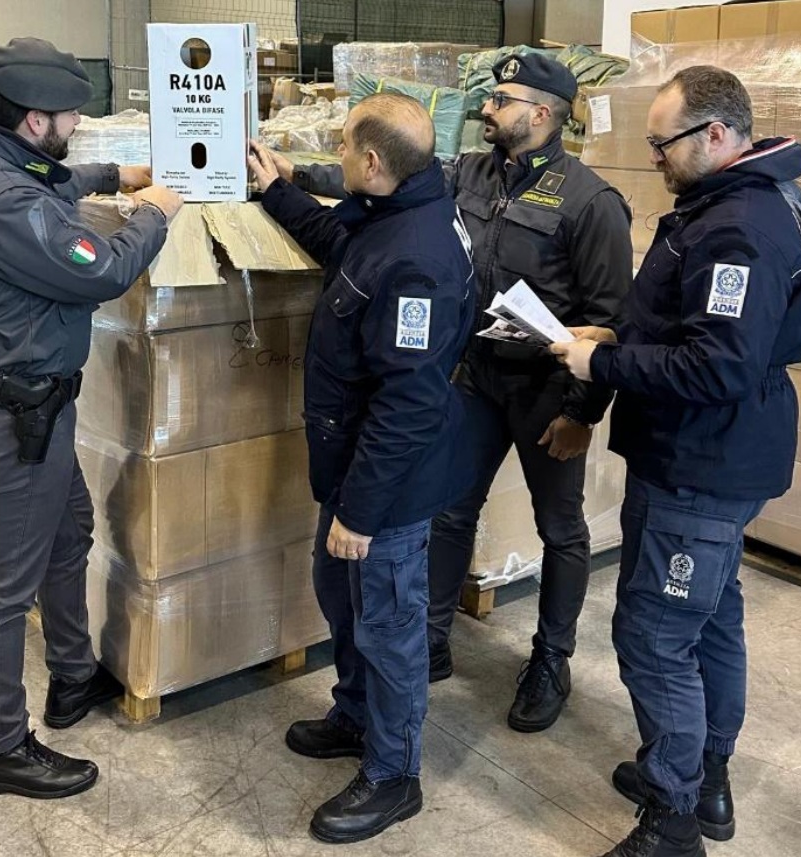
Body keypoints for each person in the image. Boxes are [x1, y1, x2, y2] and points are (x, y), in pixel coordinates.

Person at [269, 52, 633, 733]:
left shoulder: (591, 202)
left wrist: (582, 412)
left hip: (544, 388)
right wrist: (294, 176)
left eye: (501, 99)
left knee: (560, 527)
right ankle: (430, 636)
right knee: (450, 512)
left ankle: (550, 658)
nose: (486, 107)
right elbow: (387, 168)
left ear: (542, 113)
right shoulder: (467, 172)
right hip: (473, 376)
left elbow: (613, 317)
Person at [551, 66, 801, 857]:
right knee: (710, 618)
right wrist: (616, 337)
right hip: (708, 457)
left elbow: (716, 367)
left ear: (715, 135)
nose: (653, 158)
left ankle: (671, 820)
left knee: (655, 634)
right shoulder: (728, 205)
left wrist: (599, 364)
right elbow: (698, 331)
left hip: (700, 464)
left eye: (661, 143)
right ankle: (704, 778)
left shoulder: (736, 229)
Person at [0, 36, 183, 800]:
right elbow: (101, 269)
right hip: (10, 419)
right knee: (4, 590)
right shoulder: (5, 202)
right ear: (36, 120)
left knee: (69, 532)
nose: (75, 125)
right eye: (69, 116)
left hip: (30, 408)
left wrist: (113, 175)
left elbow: (50, 182)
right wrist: (153, 213)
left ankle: (72, 673)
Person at [246, 92, 476, 843]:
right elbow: (334, 238)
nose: (337, 156)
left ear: (372, 161)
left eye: (344, 146)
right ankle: (355, 714)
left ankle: (393, 773)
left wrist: (360, 512)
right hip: (350, 469)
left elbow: (407, 405)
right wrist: (276, 190)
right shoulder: (390, 213)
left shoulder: (418, 261)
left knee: (388, 627)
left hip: (387, 489)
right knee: (340, 598)